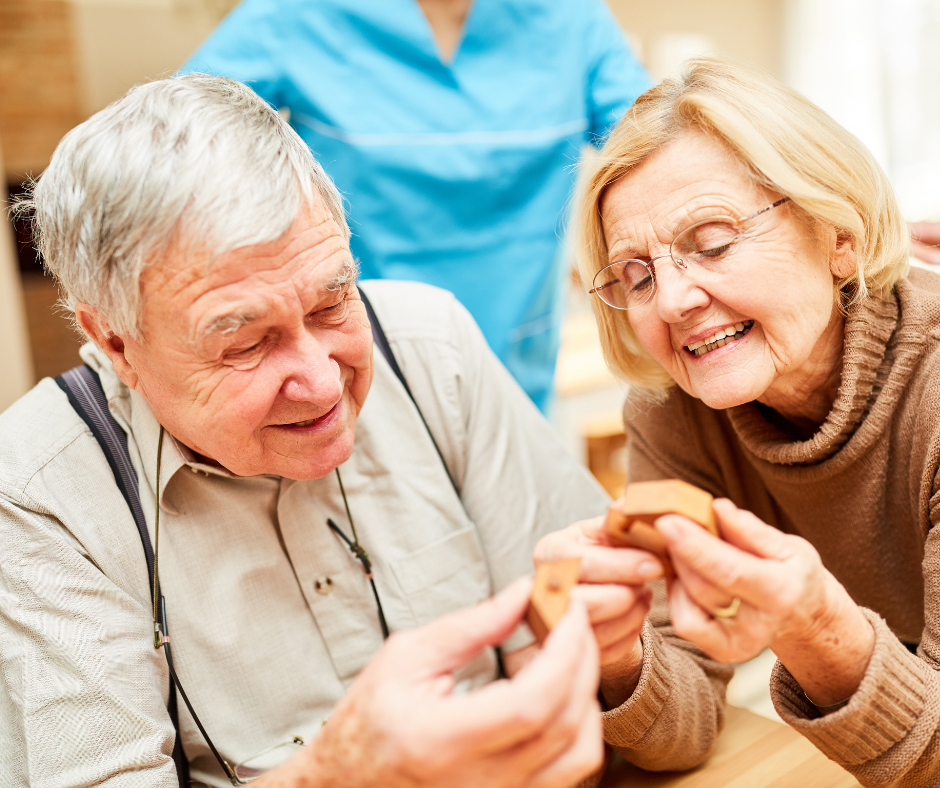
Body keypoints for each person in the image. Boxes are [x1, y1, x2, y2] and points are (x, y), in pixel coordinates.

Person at [0, 74, 625, 788]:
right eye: (245, 344)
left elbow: (647, 667)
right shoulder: (37, 491)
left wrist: (611, 657)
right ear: (115, 343)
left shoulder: (430, 347)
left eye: (333, 304)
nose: (326, 385)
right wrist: (338, 773)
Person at [537, 55, 940, 785]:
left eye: (712, 242)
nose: (671, 303)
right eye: (637, 275)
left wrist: (815, 629)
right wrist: (620, 653)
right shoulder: (675, 412)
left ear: (837, 236)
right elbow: (683, 730)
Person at [180, 0, 650, 412]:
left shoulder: (571, 17)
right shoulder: (297, 14)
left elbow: (656, 147)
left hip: (518, 361)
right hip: (354, 365)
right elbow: (173, 142)